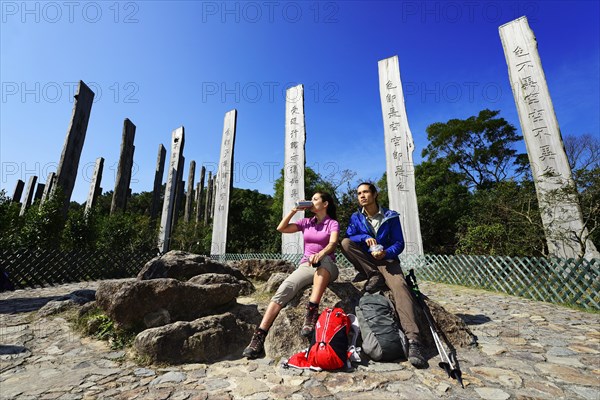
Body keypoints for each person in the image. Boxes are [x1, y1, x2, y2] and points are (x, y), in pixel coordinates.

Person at [243, 192, 340, 359]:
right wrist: (294, 210)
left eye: (315, 199)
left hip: (328, 264)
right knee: (284, 289)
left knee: (322, 266)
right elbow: (281, 228)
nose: (311, 201)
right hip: (306, 265)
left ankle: (311, 313)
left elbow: (333, 243)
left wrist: (322, 253)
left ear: (325, 204)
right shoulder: (306, 223)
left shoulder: (332, 223)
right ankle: (259, 335)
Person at [341, 182, 427, 368]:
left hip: (388, 261)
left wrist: (386, 253)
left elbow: (399, 243)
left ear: (374, 194)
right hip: (368, 262)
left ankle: (413, 341)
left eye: (365, 192)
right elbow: (350, 235)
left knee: (401, 288)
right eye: (359, 193)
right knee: (346, 243)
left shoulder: (390, 216)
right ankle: (373, 275)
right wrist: (364, 238)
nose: (361, 196)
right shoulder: (356, 217)